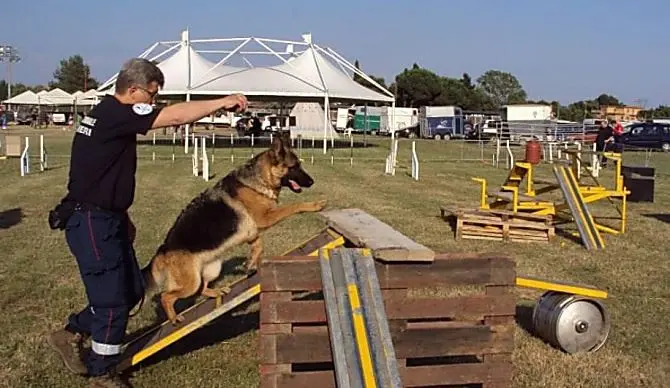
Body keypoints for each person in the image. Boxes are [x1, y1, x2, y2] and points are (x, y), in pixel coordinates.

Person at [46, 58, 248, 388]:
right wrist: (223, 102)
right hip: (91, 221)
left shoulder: (107, 116)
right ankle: (102, 372)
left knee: (132, 289)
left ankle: (69, 333)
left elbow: (97, 174)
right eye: (151, 96)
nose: (153, 103)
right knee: (112, 301)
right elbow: (178, 115)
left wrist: (121, 216)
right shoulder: (116, 112)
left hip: (105, 217)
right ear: (134, 90)